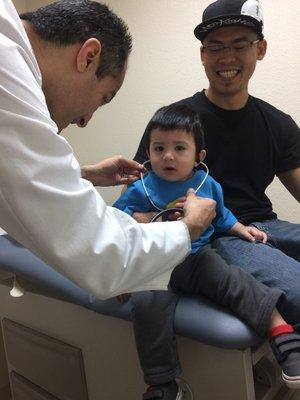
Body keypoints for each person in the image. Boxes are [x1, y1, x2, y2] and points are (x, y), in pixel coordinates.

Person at [133, 0, 300, 395]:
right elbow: (140, 198)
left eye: (239, 44)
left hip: (266, 225)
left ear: (260, 49)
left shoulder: (277, 123)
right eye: (215, 46)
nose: (227, 57)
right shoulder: (176, 123)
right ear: (202, 55)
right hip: (218, 236)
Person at [0, 0, 217, 300]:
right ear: (88, 57)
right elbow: (100, 252)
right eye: (104, 98)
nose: (86, 120)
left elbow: (12, 173)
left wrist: (82, 174)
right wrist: (188, 227)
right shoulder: (6, 74)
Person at [114, 103, 300, 399]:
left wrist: (242, 229)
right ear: (147, 153)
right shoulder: (140, 189)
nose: (168, 156)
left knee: (235, 280)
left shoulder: (206, 184)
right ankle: (162, 383)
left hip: (196, 259)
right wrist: (122, 274)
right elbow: (115, 226)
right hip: (154, 265)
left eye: (179, 148)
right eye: (159, 148)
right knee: (146, 305)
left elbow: (222, 215)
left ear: (199, 156)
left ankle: (282, 334)